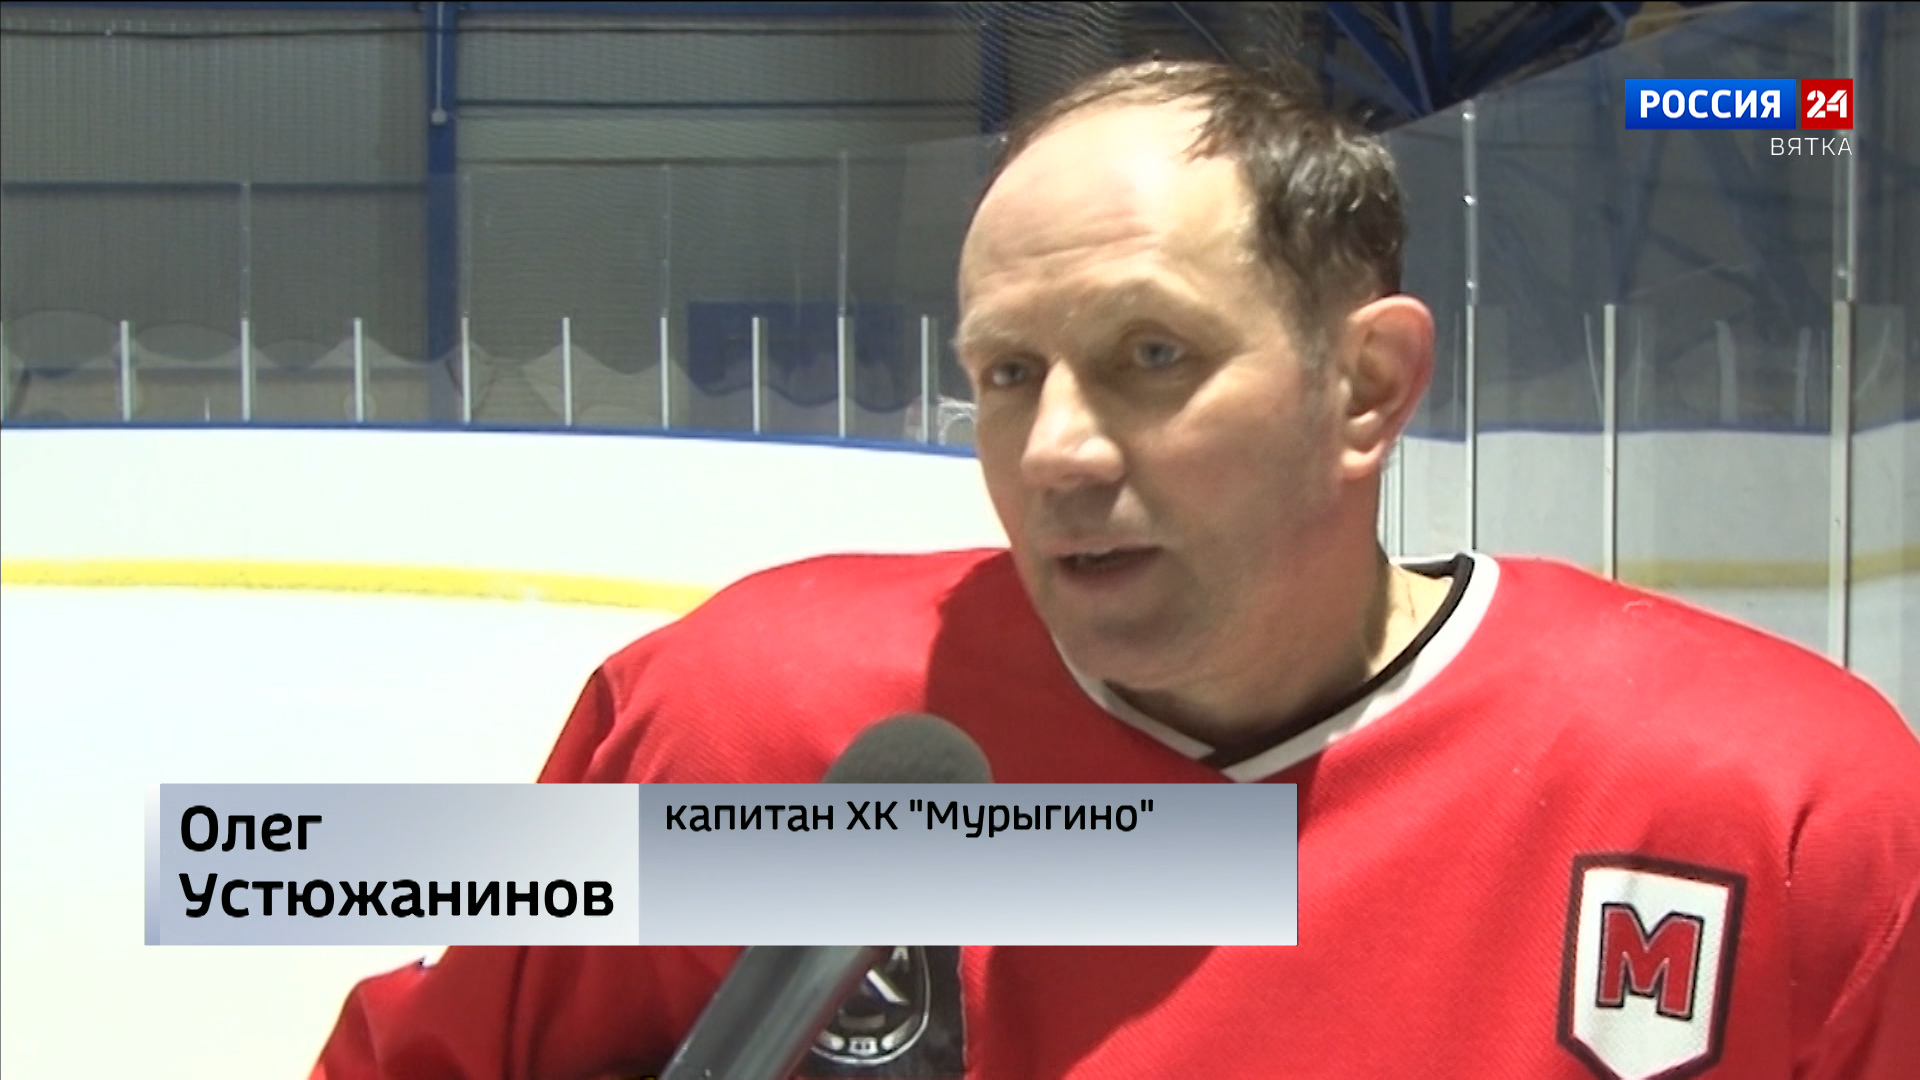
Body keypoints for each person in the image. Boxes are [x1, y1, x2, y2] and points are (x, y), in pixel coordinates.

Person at [313, 59, 1920, 1080]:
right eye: (1008, 374)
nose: (1060, 452)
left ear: (1367, 388)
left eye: (1153, 355)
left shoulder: (1777, 810)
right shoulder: (754, 717)